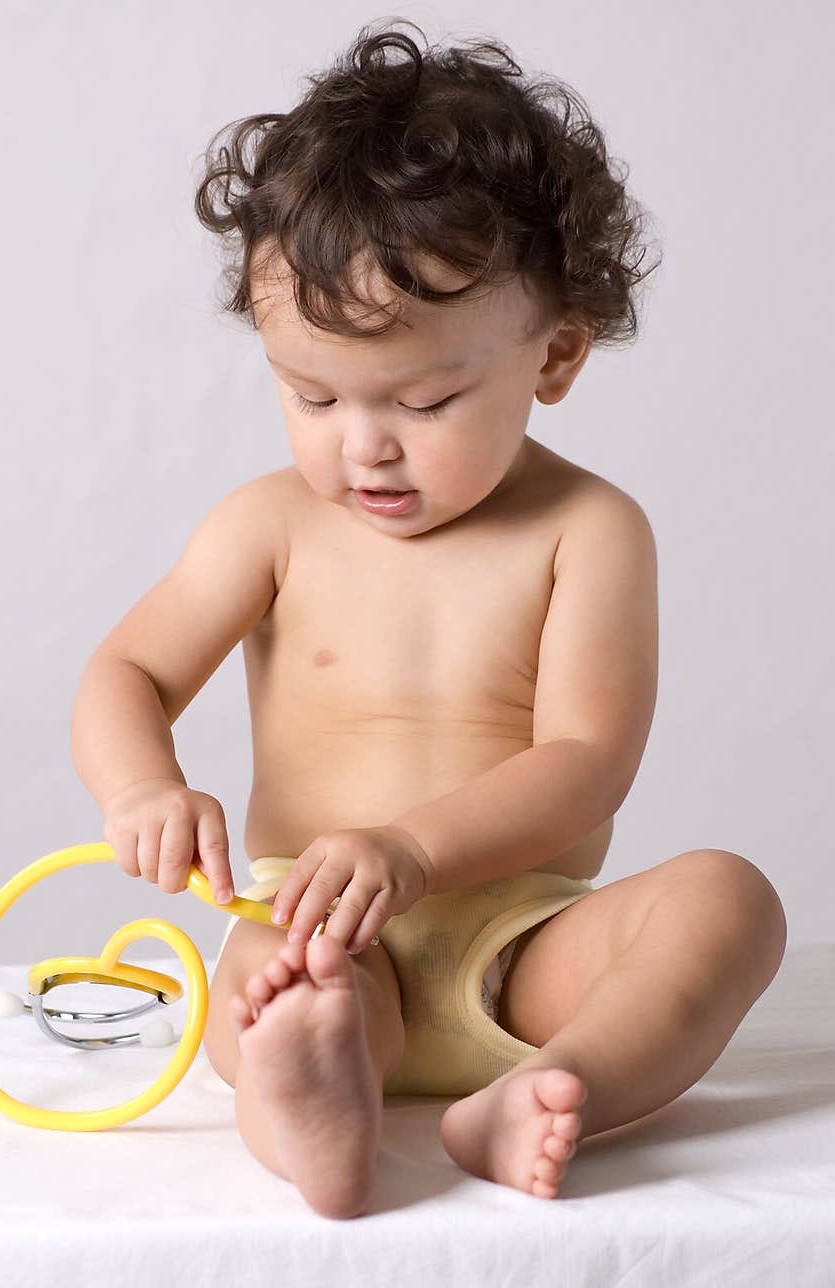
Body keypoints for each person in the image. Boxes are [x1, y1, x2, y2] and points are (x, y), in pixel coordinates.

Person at [70, 23, 787, 1220]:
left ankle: (559, 1083)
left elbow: (586, 763)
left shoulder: (589, 528)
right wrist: (141, 787)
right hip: (317, 923)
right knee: (270, 989)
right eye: (313, 395)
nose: (366, 444)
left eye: (427, 398)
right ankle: (317, 1114)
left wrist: (411, 850)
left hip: (526, 944)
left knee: (730, 900)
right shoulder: (267, 524)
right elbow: (128, 669)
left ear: (553, 354)